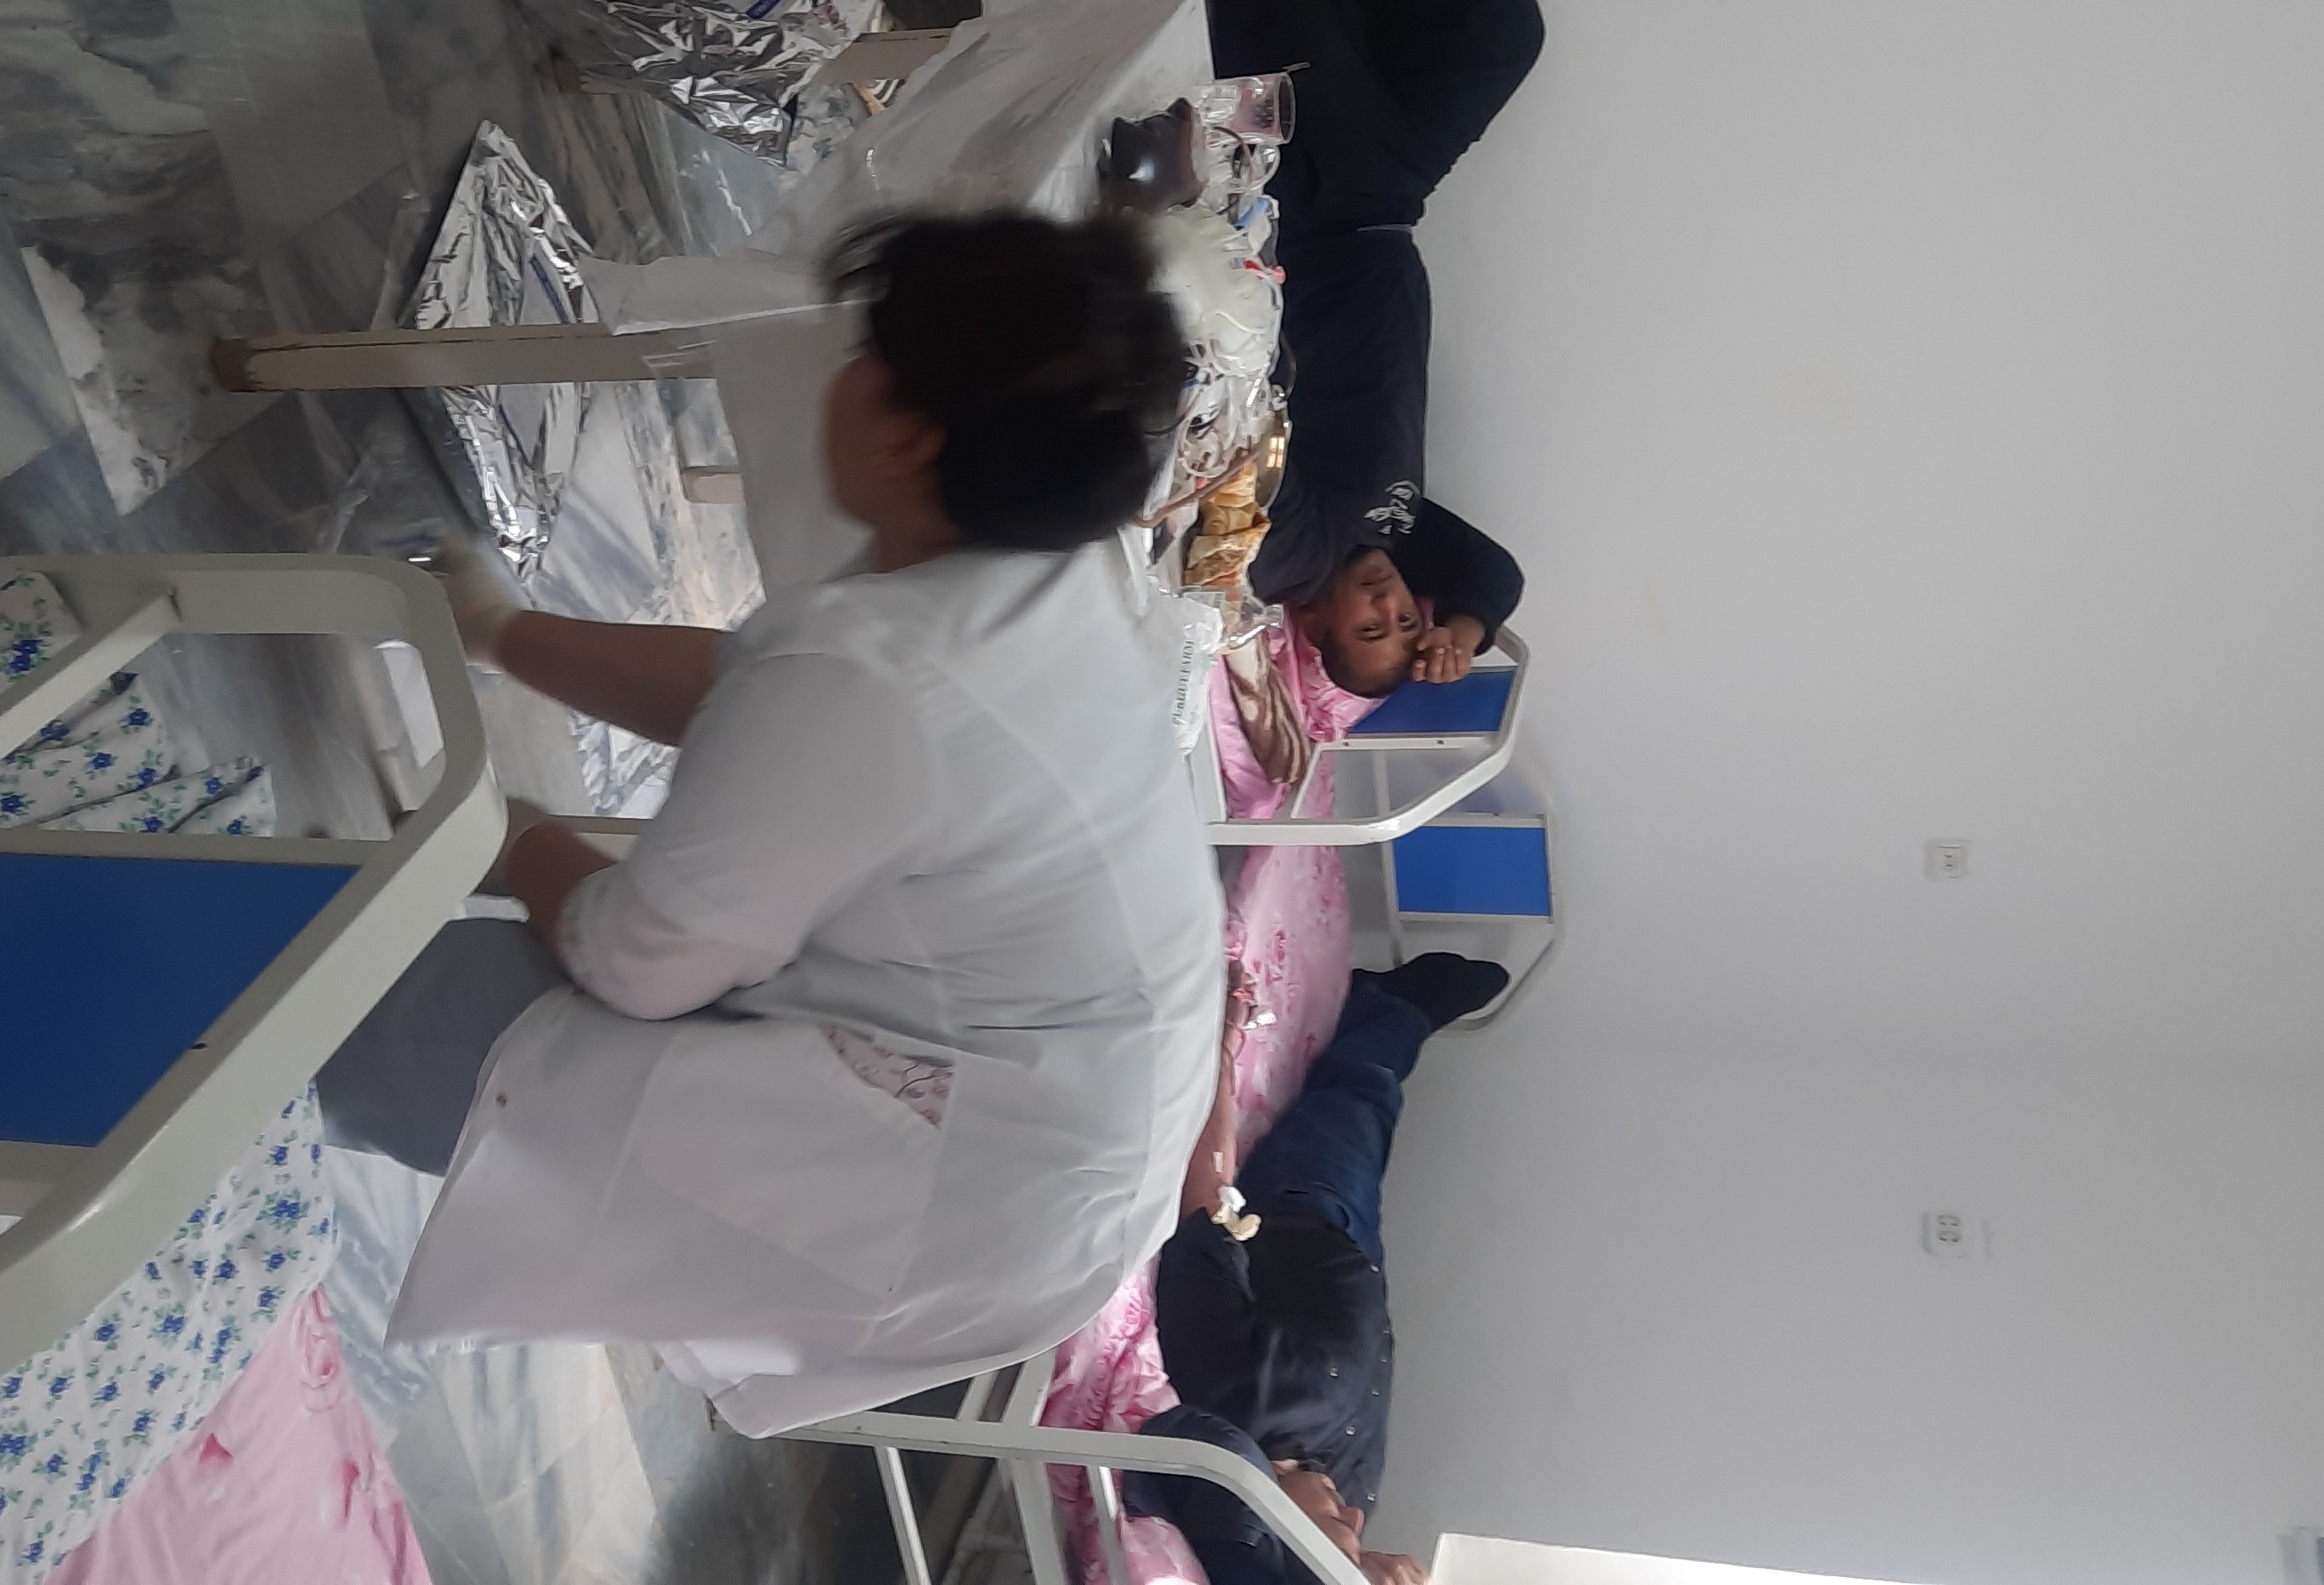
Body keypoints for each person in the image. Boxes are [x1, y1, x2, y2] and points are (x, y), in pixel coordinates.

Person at [315, 212, 1224, 1438]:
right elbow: (758, 692)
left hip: (975, 1192)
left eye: (867, 355)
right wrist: (504, 635)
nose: (837, 378)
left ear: (904, 432)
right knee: (448, 990)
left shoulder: (901, 667)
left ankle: (164, 1068)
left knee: (421, 1020)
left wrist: (514, 834)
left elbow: (636, 960)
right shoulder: (1036, 576)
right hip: (1071, 1103)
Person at [1125, 952, 1514, 1585]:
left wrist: (1221, 1053)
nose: (1356, 1515)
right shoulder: (1332, 1490)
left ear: (1275, 1523)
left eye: (1339, 1524)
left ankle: (1394, 1005)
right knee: (1371, 1118)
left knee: (1359, 1096)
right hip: (1357, 1253)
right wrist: (1361, 1564)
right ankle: (1394, 1014)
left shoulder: (1237, 1391)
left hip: (1301, 1208)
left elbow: (1208, 1216)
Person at [1212, 0, 1545, 697]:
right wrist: (1463, 632)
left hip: (1315, 216)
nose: (1387, 601)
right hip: (1386, 207)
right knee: (1496, 42)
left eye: (1370, 627)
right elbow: (1495, 575)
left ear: (1312, 623)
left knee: (1303, 30)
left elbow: (1241, 455)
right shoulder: (1387, 535)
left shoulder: (1294, 559)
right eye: (1404, 618)